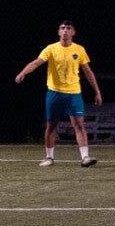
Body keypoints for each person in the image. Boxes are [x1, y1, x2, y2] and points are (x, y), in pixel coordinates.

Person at [17, 21, 100, 168]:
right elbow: (36, 62)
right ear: (59, 32)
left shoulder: (79, 49)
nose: (65, 30)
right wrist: (23, 72)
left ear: (73, 32)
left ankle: (85, 157)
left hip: (74, 93)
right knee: (51, 125)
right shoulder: (51, 48)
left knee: (79, 125)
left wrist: (97, 91)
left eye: (68, 28)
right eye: (62, 28)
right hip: (54, 93)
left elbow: (87, 71)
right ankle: (49, 157)